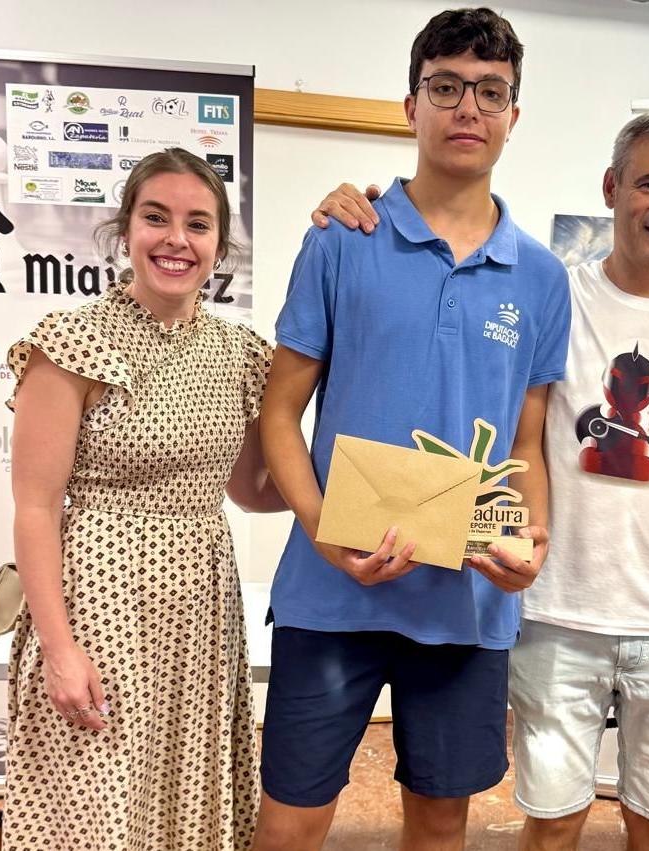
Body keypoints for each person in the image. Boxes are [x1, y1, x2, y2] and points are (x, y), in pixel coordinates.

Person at [311, 108, 649, 851]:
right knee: (551, 825)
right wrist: (361, 210)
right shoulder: (548, 291)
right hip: (556, 613)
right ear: (611, 188)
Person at [253, 8, 571, 851]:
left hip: (464, 598)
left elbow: (525, 445)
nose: (467, 108)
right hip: (331, 594)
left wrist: (528, 543)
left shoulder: (539, 277)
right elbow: (279, 411)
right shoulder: (341, 237)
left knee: (439, 819)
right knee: (290, 816)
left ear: (513, 115)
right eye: (446, 88)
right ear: (410, 106)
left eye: (489, 92)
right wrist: (323, 536)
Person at [3, 147, 282, 851]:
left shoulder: (240, 352)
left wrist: (358, 490)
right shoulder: (72, 342)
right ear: (125, 229)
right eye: (155, 218)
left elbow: (251, 491)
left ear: (220, 244)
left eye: (197, 223)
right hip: (98, 602)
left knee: (180, 799)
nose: (176, 240)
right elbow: (35, 507)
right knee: (94, 807)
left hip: (198, 610)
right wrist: (61, 651)